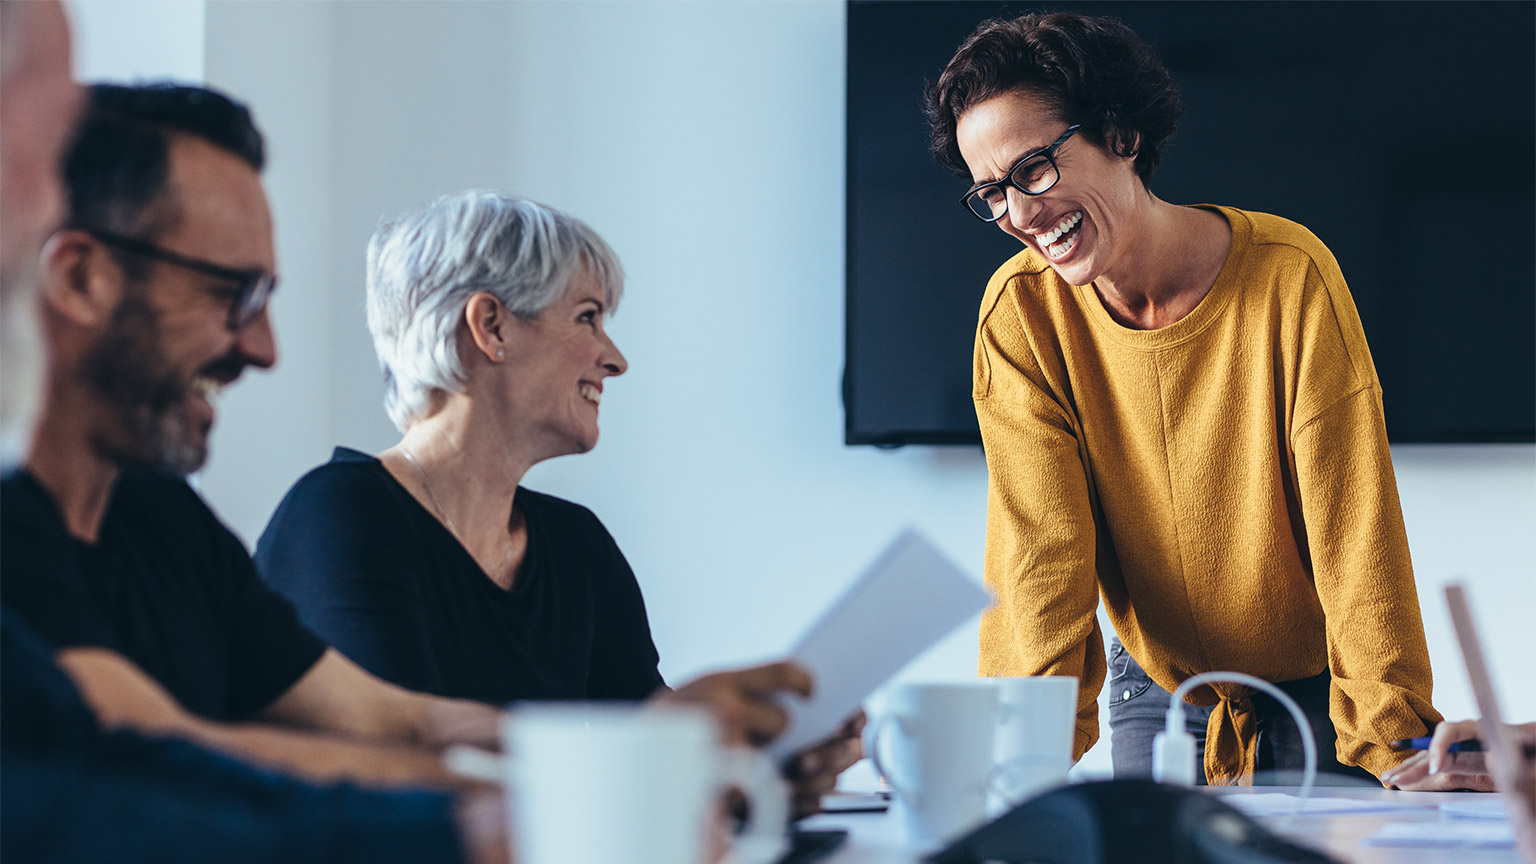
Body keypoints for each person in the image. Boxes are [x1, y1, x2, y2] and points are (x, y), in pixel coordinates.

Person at [0, 82, 818, 796]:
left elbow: (397, 724)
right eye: (231, 293)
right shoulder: (26, 520)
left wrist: (704, 764)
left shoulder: (163, 522)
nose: (265, 348)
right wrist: (615, 772)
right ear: (78, 278)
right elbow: (157, 754)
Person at [924, 11, 1442, 786]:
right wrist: (1020, 770)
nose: (1021, 215)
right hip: (1157, 686)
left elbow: (1355, 535)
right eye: (992, 193)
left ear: (1121, 136)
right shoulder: (1021, 315)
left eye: (1032, 169)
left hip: (1317, 686)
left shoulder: (1289, 278)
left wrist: (1398, 745)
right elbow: (1041, 558)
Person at [255, 189, 863, 815]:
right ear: (490, 326)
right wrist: (672, 761)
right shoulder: (339, 516)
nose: (616, 359)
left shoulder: (578, 545)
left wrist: (761, 779)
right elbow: (402, 783)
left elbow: (651, 768)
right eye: (588, 317)